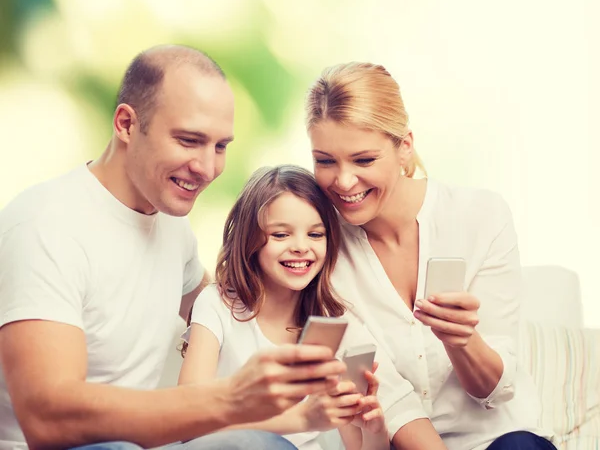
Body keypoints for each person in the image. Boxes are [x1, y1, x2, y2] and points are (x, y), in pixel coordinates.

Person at [0, 45, 345, 450]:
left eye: (220, 146)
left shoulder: (170, 225)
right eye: (188, 140)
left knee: (263, 444)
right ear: (127, 124)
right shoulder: (45, 225)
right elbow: (47, 419)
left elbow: (224, 303)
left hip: (139, 447)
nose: (207, 167)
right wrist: (232, 398)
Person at [304, 62, 556, 450]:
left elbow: (496, 390)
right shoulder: (321, 250)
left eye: (364, 160)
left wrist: (461, 341)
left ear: (404, 146)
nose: (344, 181)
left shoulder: (481, 217)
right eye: (325, 161)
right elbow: (386, 396)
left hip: (499, 439)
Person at [179, 164, 447, 450]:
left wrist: (373, 429)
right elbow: (188, 421)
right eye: (281, 235)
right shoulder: (218, 305)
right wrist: (298, 418)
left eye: (315, 235)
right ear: (249, 240)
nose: (300, 247)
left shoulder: (333, 324)